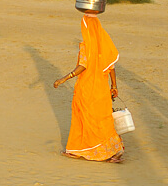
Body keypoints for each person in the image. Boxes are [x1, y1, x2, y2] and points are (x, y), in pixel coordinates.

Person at [53, 11, 123, 163]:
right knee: (102, 118)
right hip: (102, 88)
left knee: (84, 117)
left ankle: (77, 150)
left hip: (87, 88)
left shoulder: (87, 45)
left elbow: (83, 65)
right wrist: (114, 86)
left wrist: (64, 78)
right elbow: (111, 65)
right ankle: (113, 150)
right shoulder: (103, 44)